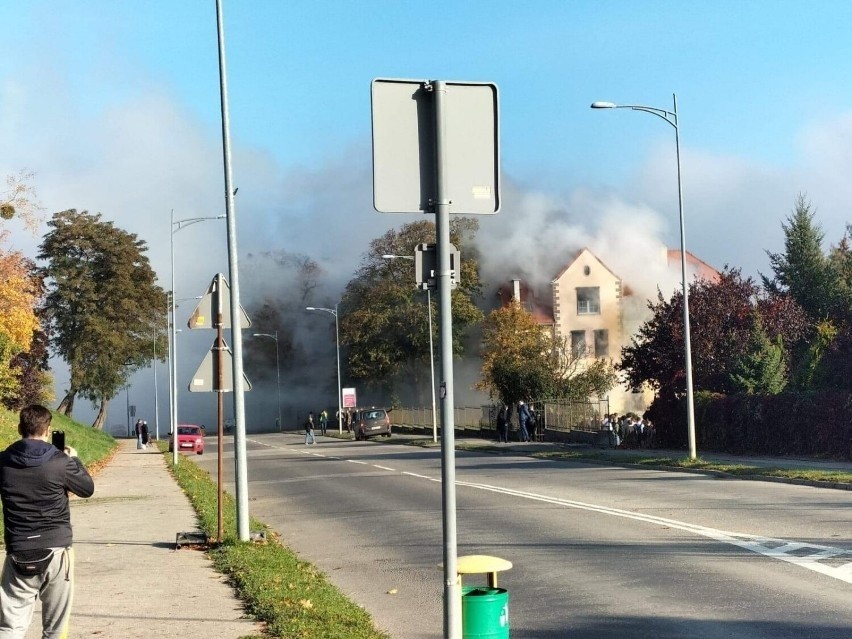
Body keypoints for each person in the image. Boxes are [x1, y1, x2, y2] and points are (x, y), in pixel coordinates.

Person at [0, 404, 95, 638]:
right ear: (47, 429)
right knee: (55, 629)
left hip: (19, 550)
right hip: (57, 551)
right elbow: (87, 489)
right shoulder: (61, 462)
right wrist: (75, 460)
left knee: (10, 627)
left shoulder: (2, 461)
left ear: (20, 427)